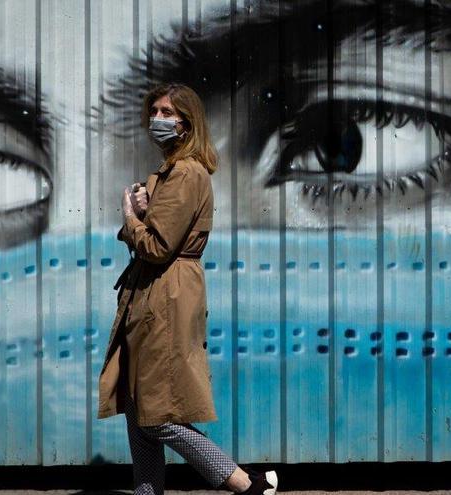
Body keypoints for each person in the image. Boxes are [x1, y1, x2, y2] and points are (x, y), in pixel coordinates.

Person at [96, 83, 278, 495]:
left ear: (186, 122)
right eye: (153, 111)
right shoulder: (171, 173)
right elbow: (161, 232)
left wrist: (130, 217)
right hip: (153, 291)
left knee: (157, 415)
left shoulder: (185, 173)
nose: (156, 120)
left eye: (167, 112)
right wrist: (145, 212)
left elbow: (158, 247)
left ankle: (242, 482)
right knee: (138, 405)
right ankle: (148, 492)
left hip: (166, 293)